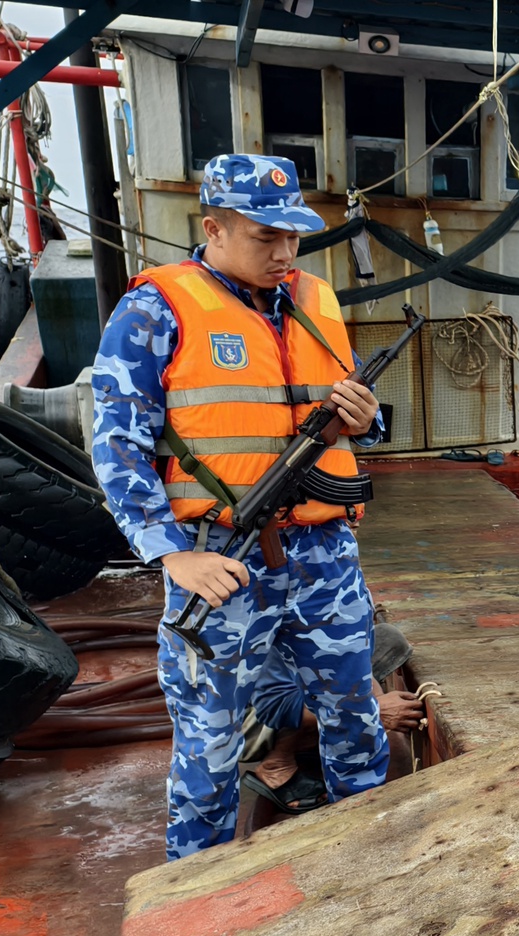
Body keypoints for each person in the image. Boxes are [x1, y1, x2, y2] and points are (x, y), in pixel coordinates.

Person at [91, 154, 390, 860]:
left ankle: (378, 856)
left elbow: (354, 423)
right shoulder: (154, 309)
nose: (285, 252)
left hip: (323, 557)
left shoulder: (315, 303)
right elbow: (116, 443)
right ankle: (196, 895)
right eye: (265, 237)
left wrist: (365, 416)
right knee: (211, 744)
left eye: (293, 236)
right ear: (213, 228)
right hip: (221, 558)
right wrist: (173, 553)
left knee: (356, 716)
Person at [243, 622, 426, 811]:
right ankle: (277, 763)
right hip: (246, 715)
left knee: (388, 639)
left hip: (295, 669)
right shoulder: (266, 609)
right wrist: (374, 710)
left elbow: (350, 653)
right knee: (313, 685)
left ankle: (326, 735)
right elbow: (275, 705)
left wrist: (369, 699)